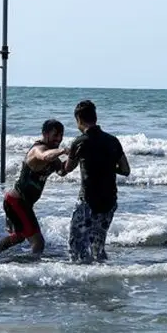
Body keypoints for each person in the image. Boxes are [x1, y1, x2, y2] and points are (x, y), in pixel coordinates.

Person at [60, 100, 130, 263]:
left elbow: (67, 169)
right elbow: (126, 170)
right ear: (95, 117)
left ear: (79, 119)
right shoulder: (113, 141)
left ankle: (82, 279)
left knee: (77, 244)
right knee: (97, 246)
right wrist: (108, 166)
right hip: (109, 201)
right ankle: (101, 279)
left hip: (88, 201)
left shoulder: (80, 142)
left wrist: (56, 159)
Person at [0, 119, 67, 254]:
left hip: (20, 202)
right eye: (55, 135)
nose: (58, 139)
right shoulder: (38, 149)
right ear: (45, 134)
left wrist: (76, 156)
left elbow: (63, 171)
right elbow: (44, 156)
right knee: (38, 242)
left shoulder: (53, 156)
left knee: (18, 237)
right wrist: (63, 150)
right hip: (16, 201)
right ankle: (34, 268)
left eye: (61, 135)